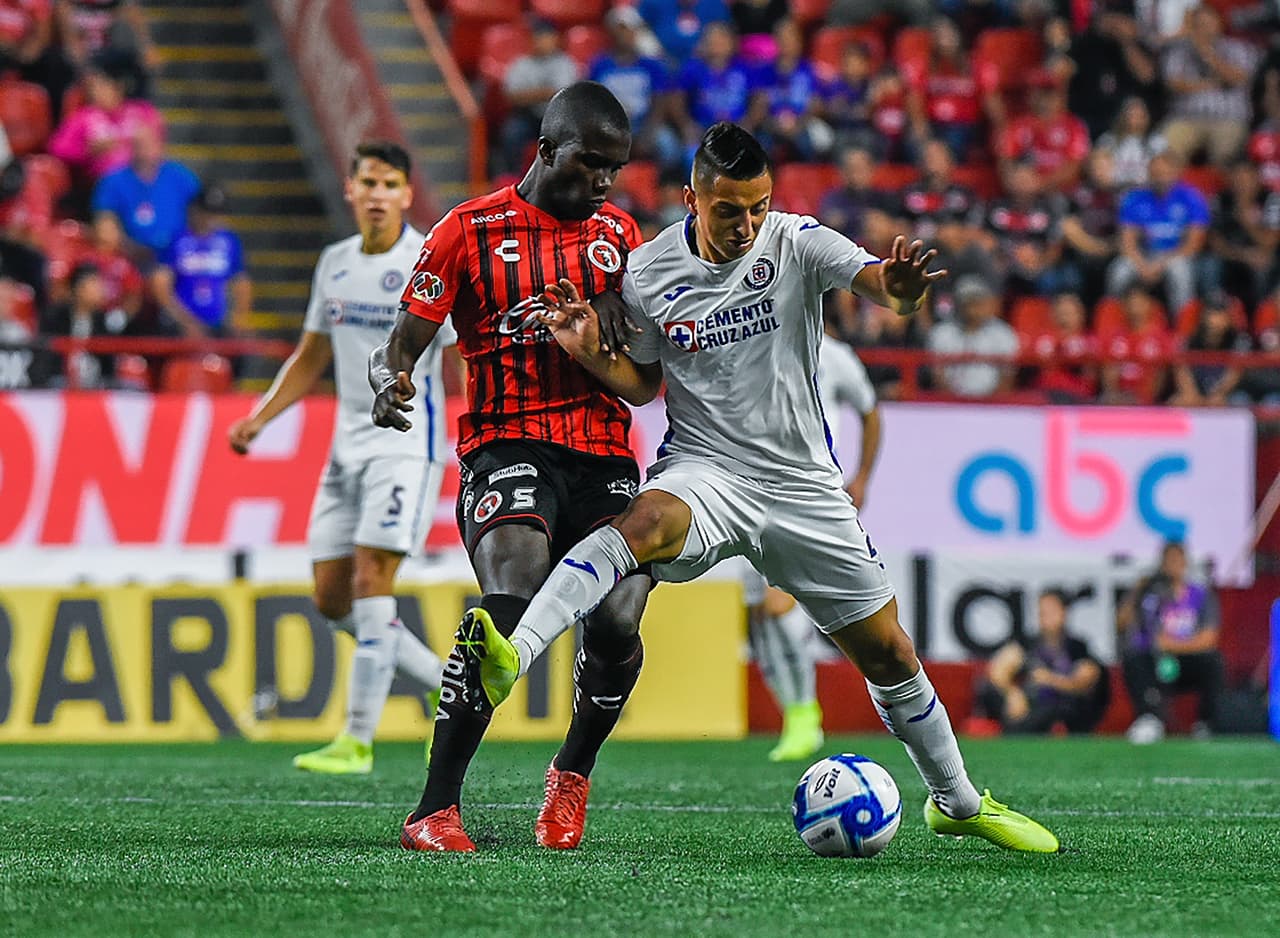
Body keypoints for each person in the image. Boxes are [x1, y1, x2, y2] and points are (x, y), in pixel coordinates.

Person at [466, 121, 1060, 854]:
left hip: (802, 484)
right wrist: (593, 356)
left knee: (891, 656)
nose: (746, 225)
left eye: (757, 207)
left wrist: (900, 293)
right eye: (728, 211)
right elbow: (645, 383)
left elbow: (877, 280)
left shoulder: (797, 240)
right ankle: (513, 654)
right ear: (691, 198)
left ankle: (958, 801)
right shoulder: (647, 273)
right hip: (708, 469)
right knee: (642, 523)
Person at [371, 82, 654, 854]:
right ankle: (435, 807)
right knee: (511, 595)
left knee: (619, 616)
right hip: (507, 444)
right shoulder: (465, 230)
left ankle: (570, 775)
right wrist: (389, 378)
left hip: (602, 454)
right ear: (545, 150)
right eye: (589, 164)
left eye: (614, 169)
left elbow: (641, 363)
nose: (601, 183)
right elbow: (402, 343)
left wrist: (597, 343)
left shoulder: (622, 237)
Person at [228, 142, 449, 776]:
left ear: (408, 195)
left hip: (407, 444)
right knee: (331, 597)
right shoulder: (335, 263)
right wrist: (260, 418)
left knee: (372, 582)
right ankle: (442, 681)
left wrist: (475, 428)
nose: (378, 194)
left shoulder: (427, 262)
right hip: (346, 444)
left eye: (390, 184)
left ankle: (356, 739)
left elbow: (462, 356)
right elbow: (311, 356)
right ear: (351, 191)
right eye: (368, 182)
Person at [748, 308, 881, 763]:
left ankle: (805, 714)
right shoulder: (760, 344)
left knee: (778, 602)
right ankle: (795, 713)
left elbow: (870, 409)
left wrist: (862, 475)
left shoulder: (835, 356)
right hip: (748, 490)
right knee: (759, 616)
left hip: (803, 491)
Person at [1118, 541, 1225, 744]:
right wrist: (1136, 592)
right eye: (1169, 561)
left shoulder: (1200, 595)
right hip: (1155, 660)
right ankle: (1149, 718)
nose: (1173, 565)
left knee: (1214, 661)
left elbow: (1209, 638)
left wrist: (1172, 645)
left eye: (1178, 560)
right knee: (1133, 658)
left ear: (1185, 563)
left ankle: (1206, 722)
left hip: (1187, 661)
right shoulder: (1150, 594)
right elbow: (1122, 623)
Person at [976, 589, 1108, 735]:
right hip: (1032, 706)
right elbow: (998, 671)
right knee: (993, 692)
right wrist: (1012, 694)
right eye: (1042, 612)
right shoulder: (1028, 643)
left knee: (1060, 710)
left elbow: (1084, 682)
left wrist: (1051, 680)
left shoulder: (1077, 647)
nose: (1045, 617)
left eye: (1051, 611)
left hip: (1065, 708)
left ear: (1064, 612)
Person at [1107, 150, 1209, 317]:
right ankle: (1113, 321)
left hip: (1176, 255)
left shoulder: (1191, 197)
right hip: (1145, 255)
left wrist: (1160, 264)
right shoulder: (1135, 198)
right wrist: (1142, 265)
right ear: (1149, 174)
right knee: (1119, 270)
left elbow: (1193, 244)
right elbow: (1127, 242)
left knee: (1179, 272)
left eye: (1166, 173)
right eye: (1156, 173)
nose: (1161, 178)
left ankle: (1182, 325)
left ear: (1176, 172)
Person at [151, 183, 251, 337]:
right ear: (195, 210)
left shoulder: (229, 241)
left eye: (216, 213)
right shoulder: (177, 240)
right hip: (180, 324)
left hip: (219, 324)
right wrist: (184, 321)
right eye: (207, 212)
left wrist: (239, 317)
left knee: (244, 345)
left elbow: (241, 281)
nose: (211, 218)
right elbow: (160, 283)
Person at [91, 122, 200, 263]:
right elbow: (104, 219)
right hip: (129, 254)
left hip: (177, 255)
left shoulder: (182, 177)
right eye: (138, 145)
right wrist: (125, 245)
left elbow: (201, 214)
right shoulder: (113, 181)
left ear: (161, 145)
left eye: (149, 144)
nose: (144, 150)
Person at [496, 18, 578, 177]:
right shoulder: (521, 64)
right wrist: (544, 93)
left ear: (556, 39)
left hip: (557, 118)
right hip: (527, 116)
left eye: (546, 36)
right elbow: (512, 96)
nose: (542, 41)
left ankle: (563, 178)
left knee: (574, 136)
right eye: (538, 36)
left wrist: (531, 94)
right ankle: (514, 178)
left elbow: (564, 95)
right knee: (511, 133)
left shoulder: (565, 63)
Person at [928, 275, 1019, 398]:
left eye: (977, 302)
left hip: (992, 405)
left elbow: (1008, 376)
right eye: (967, 302)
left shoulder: (1003, 333)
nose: (971, 309)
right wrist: (954, 401)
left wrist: (990, 404)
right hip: (950, 405)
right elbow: (937, 374)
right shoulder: (942, 332)